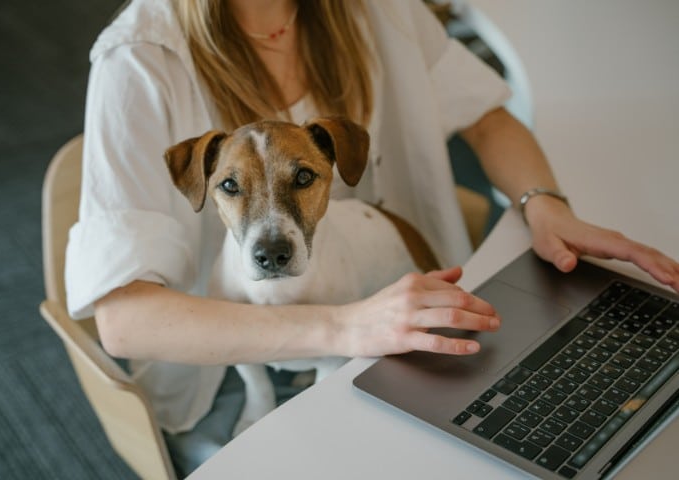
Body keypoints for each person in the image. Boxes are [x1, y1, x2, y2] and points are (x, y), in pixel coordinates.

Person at [65, 0, 679, 474]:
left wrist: (544, 203)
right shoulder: (139, 56)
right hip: (215, 364)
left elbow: (487, 116)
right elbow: (124, 321)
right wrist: (344, 328)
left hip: (398, 308)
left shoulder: (377, 8)